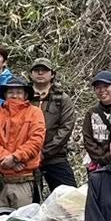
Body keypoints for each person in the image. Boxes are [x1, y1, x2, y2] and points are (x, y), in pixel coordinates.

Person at [0, 75, 44, 210]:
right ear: (5, 94)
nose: (14, 95)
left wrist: (15, 157)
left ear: (26, 94)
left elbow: (36, 141)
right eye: (10, 92)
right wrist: (7, 160)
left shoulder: (35, 113)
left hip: (23, 179)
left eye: (19, 92)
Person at [27, 58, 76, 195]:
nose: (40, 73)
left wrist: (45, 152)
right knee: (29, 202)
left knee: (69, 196)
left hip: (55, 156)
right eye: (36, 70)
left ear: (52, 74)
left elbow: (66, 128)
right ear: (30, 74)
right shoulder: (24, 96)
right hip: (27, 157)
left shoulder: (62, 99)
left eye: (44, 70)